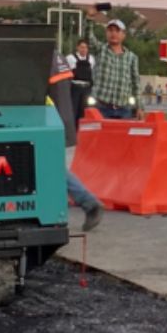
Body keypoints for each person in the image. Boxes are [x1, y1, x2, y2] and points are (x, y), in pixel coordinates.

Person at [48, 52, 104, 232]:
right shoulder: (57, 56)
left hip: (48, 121)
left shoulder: (38, 56)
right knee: (52, 167)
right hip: (60, 118)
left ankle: (87, 204)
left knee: (50, 167)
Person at [88, 19, 141, 119]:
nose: (113, 33)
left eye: (117, 31)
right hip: (100, 107)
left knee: (122, 135)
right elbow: (88, 38)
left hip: (124, 109)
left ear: (124, 34)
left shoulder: (132, 57)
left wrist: (139, 107)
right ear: (106, 33)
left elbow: (136, 84)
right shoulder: (100, 50)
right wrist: (89, 18)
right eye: (110, 30)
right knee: (100, 135)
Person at [66, 39, 94, 122]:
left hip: (86, 88)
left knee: (85, 111)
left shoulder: (91, 59)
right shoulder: (70, 58)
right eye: (82, 47)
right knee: (73, 109)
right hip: (75, 87)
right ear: (77, 47)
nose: (84, 49)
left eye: (85, 47)